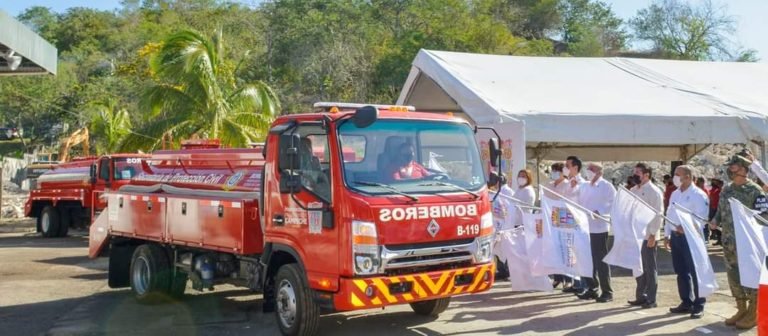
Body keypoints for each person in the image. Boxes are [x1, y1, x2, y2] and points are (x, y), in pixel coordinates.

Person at [710, 150, 768, 329]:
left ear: (743, 169)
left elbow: (763, 217)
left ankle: (754, 312)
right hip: (729, 242)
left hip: (747, 244)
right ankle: (741, 308)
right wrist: (714, 221)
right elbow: (720, 211)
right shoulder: (727, 189)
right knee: (734, 275)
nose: (730, 170)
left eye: (733, 167)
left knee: (750, 275)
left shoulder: (754, 191)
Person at [665, 165, 709, 319]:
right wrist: (667, 234)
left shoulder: (698, 195)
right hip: (676, 238)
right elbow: (669, 214)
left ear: (688, 177)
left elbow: (702, 218)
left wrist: (686, 227)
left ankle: (699, 304)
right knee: (681, 272)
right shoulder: (675, 194)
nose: (675, 177)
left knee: (696, 272)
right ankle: (686, 301)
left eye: (678, 174)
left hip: (691, 237)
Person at [577, 162, 616, 303]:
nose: (589, 171)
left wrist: (600, 211)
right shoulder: (584, 186)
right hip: (584, 227)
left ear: (600, 172)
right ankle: (592, 288)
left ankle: (607, 291)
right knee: (587, 259)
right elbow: (578, 202)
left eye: (592, 169)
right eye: (588, 169)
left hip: (599, 228)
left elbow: (613, 203)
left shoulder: (606, 186)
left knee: (601, 260)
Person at [628, 163, 663, 309]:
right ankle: (640, 296)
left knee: (649, 267)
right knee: (638, 267)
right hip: (635, 234)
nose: (635, 175)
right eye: (634, 172)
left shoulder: (654, 191)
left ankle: (651, 298)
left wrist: (653, 234)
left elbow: (658, 214)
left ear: (646, 175)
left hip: (648, 235)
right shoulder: (633, 190)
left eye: (638, 173)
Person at [546, 162, 575, 292]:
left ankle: (568, 279)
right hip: (552, 220)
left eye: (557, 170)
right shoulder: (549, 185)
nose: (554, 173)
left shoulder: (568, 185)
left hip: (564, 220)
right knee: (555, 251)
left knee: (566, 250)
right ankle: (557, 277)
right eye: (553, 170)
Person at [708, 178, 723, 245]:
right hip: (712, 208)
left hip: (718, 209)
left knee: (719, 225)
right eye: (713, 181)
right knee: (714, 224)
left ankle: (721, 239)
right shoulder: (713, 190)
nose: (713, 182)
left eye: (715, 181)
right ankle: (719, 239)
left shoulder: (720, 191)